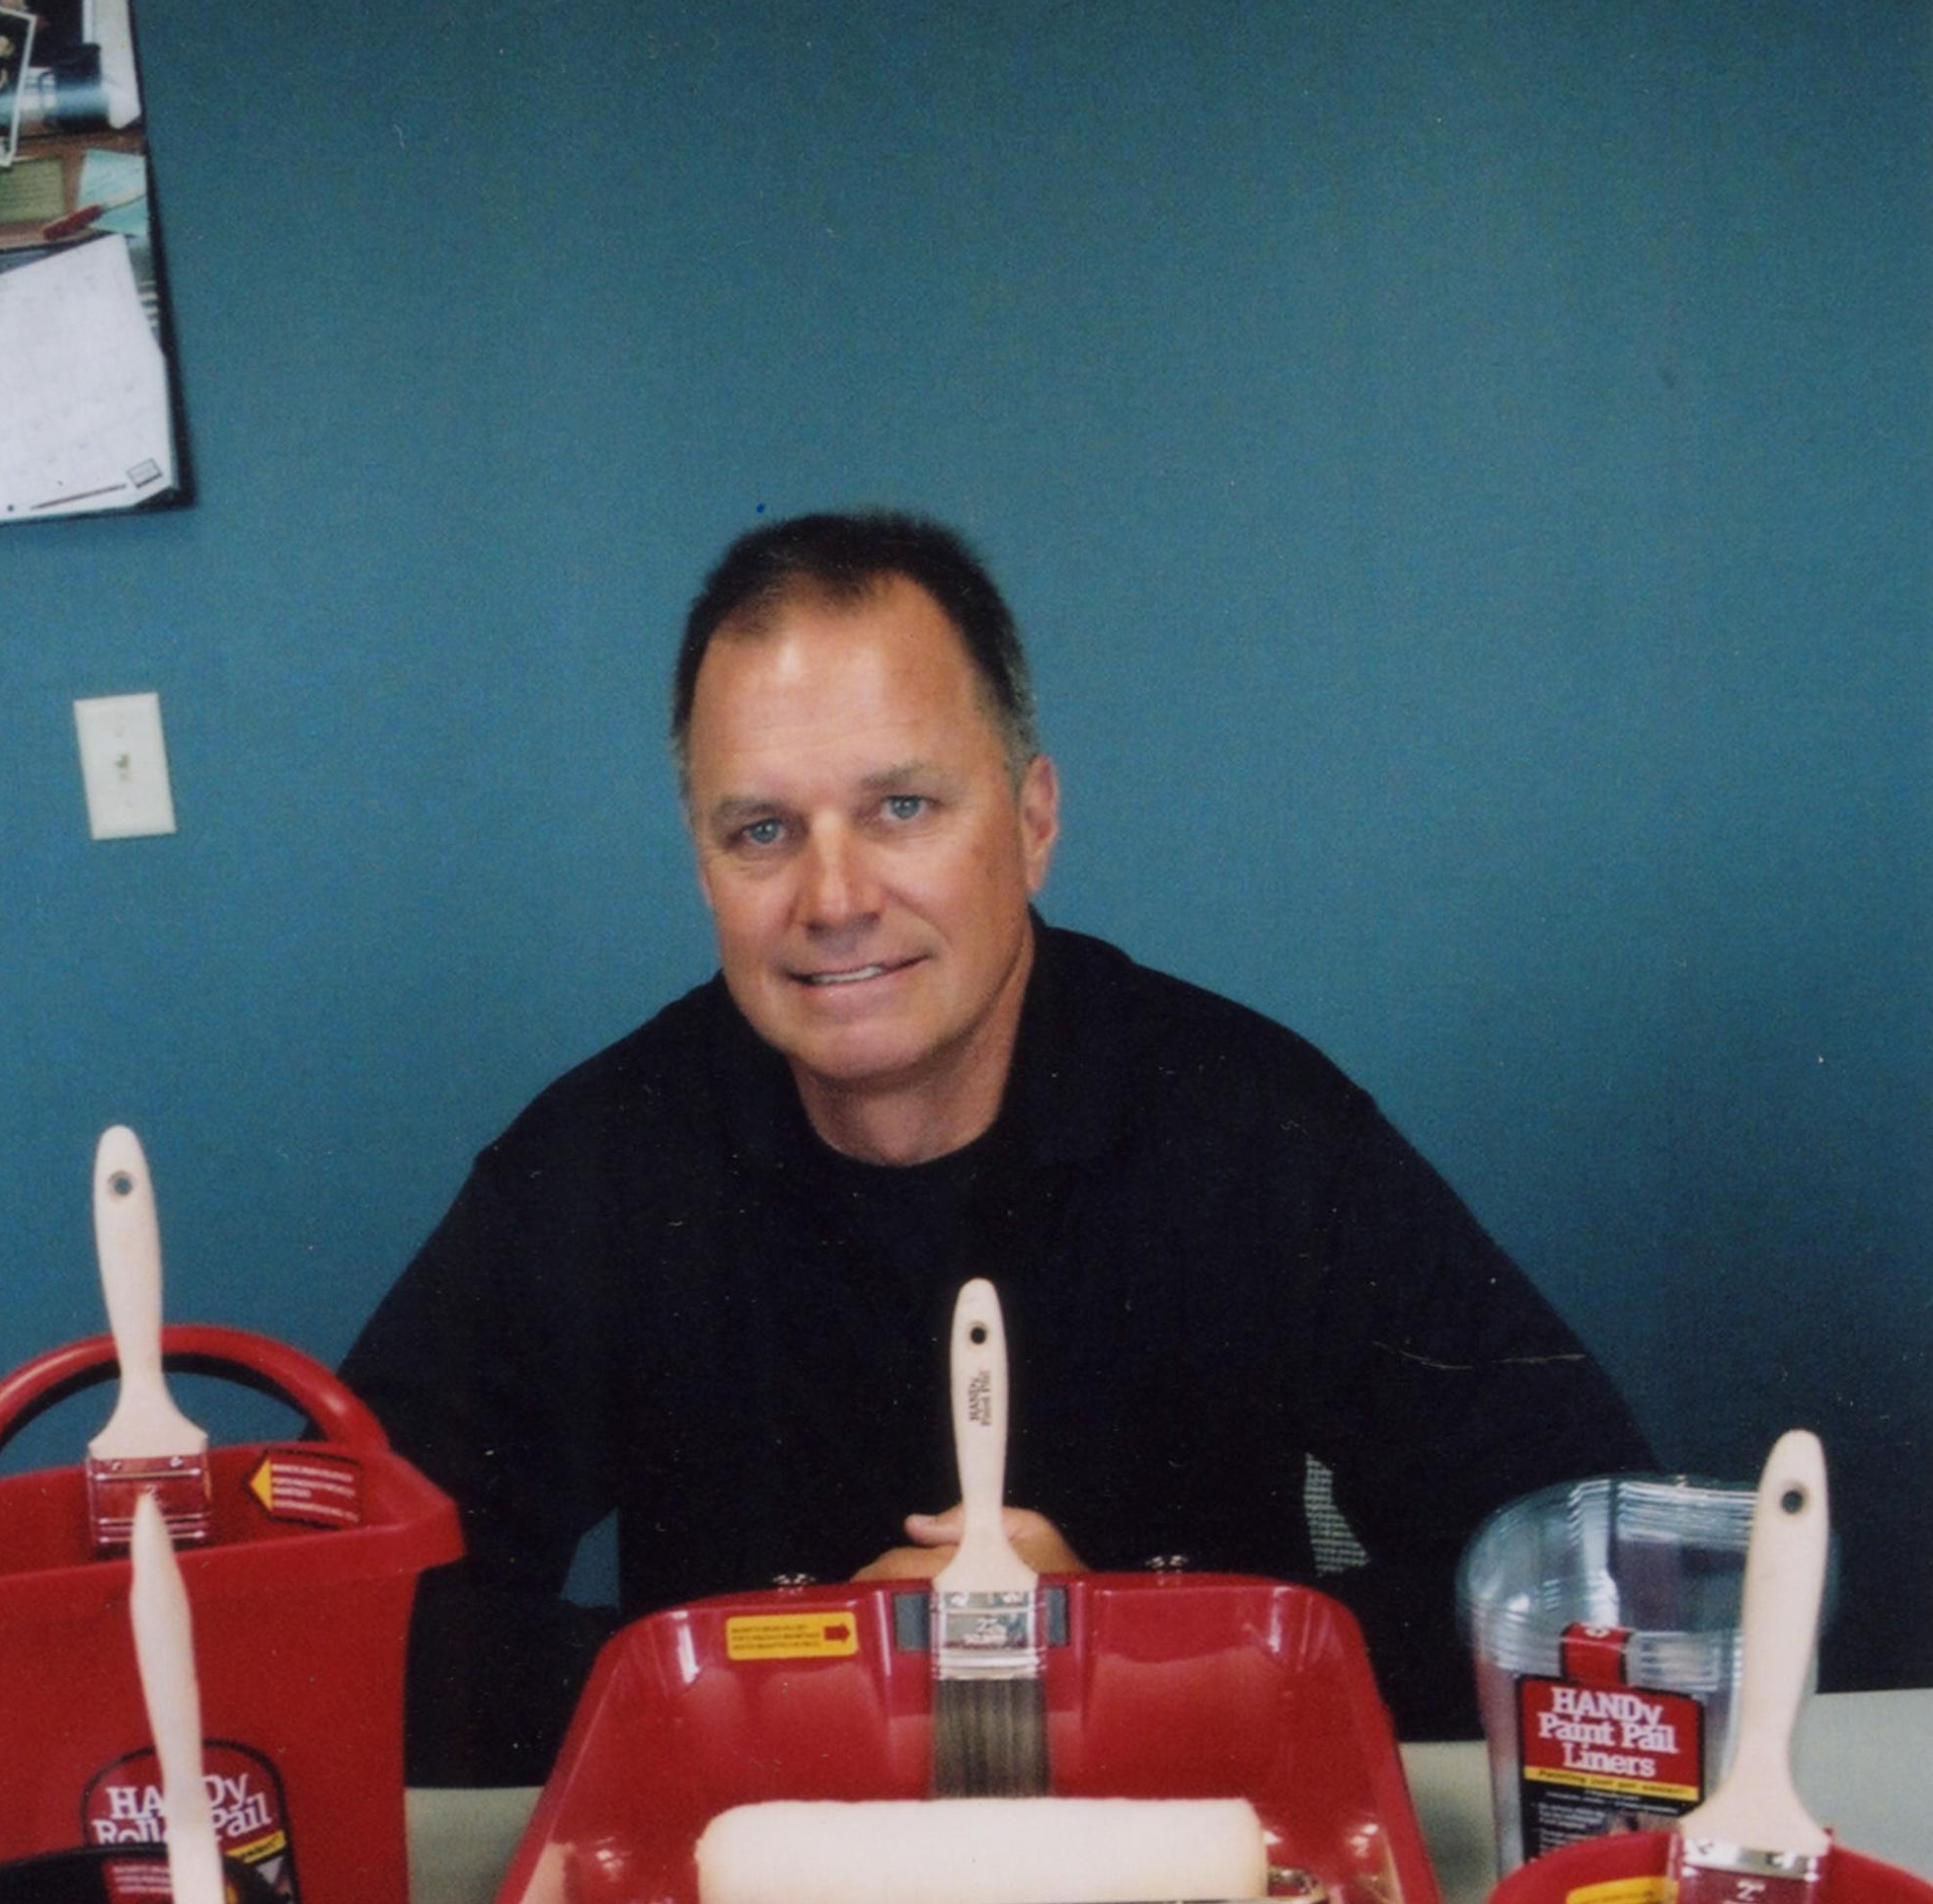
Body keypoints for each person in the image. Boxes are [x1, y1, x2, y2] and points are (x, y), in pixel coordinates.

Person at [344, 509, 1655, 1779]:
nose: (836, 897)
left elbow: (1605, 1579)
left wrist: (1149, 1648)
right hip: (760, 1874)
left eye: (903, 807)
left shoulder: (1254, 1130)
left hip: (1185, 1853)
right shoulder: (597, 1169)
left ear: (1034, 820)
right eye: (763, 831)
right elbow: (350, 1616)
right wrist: (754, 1676)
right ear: (701, 865)